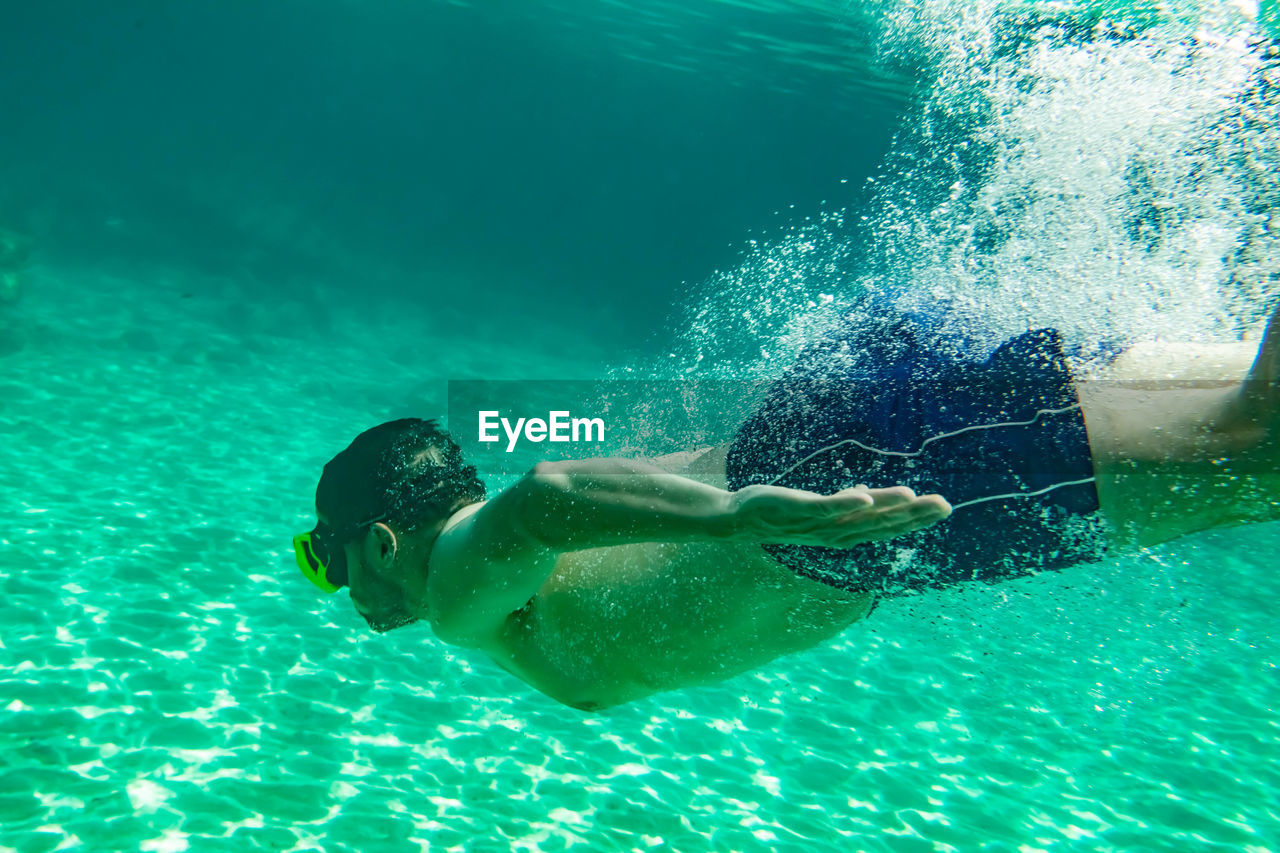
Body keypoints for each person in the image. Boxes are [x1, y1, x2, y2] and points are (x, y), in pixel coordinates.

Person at [294, 298, 1279, 711]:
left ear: (381, 539)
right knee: (1238, 419)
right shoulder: (557, 547)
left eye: (327, 560)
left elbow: (539, 499)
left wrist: (739, 517)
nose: (342, 588)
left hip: (832, 502)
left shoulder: (457, 590)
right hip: (838, 472)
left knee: (1259, 452)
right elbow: (623, 478)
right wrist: (749, 497)